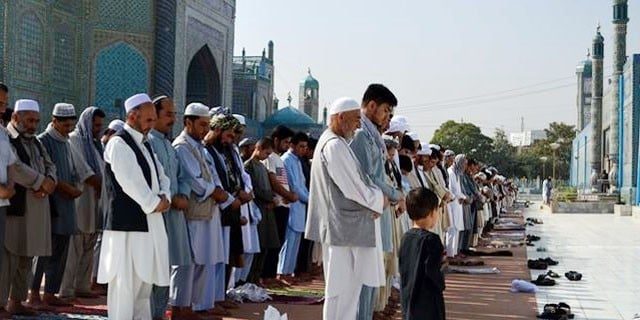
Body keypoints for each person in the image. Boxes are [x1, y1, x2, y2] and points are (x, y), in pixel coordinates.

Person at [305, 97, 385, 320]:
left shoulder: (337, 143)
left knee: (348, 291)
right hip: (342, 230)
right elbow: (353, 187)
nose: (359, 125)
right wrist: (378, 200)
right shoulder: (334, 146)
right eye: (356, 119)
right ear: (340, 118)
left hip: (344, 229)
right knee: (341, 291)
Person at [97, 93, 170, 319]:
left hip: (148, 224)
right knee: (124, 286)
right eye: (147, 120)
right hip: (126, 228)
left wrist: (164, 196)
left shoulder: (145, 143)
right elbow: (131, 182)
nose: (151, 125)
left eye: (152, 120)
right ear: (132, 116)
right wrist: (155, 202)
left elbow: (162, 176)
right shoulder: (119, 143)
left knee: (143, 287)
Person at [30, 103, 95, 308]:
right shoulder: (43, 141)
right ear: (54, 121)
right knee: (42, 252)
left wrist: (75, 187)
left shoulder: (66, 142)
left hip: (67, 206)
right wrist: (66, 188)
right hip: (50, 204)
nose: (68, 128)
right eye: (65, 124)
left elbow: (73, 170)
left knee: (60, 252)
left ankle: (50, 293)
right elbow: (46, 173)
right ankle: (34, 295)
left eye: (71, 125)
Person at [350, 84, 403, 320]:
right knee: (362, 278)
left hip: (377, 211)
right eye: (385, 111)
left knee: (374, 272)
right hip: (364, 215)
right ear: (371, 106)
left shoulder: (373, 136)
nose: (387, 118)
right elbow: (369, 177)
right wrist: (395, 194)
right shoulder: (361, 135)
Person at [173, 102, 229, 318]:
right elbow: (194, 180)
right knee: (188, 262)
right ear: (188, 122)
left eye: (208, 125)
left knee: (204, 260)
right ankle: (180, 307)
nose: (206, 130)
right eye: (202, 125)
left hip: (208, 211)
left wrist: (222, 194)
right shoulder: (182, 146)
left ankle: (194, 305)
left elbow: (213, 176)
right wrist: (215, 192)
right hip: (193, 213)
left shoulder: (199, 147)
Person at [148, 96, 193, 320]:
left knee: (166, 269)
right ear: (153, 115)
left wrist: (182, 194)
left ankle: (158, 313)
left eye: (174, 114)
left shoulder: (168, 145)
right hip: (156, 216)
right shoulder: (147, 144)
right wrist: (170, 198)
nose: (173, 119)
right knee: (153, 269)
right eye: (169, 114)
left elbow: (181, 176)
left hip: (173, 217)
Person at [205, 110, 250, 314]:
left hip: (230, 206)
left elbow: (238, 175)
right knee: (215, 257)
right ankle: (210, 300)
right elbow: (214, 181)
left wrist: (241, 194)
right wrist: (231, 198)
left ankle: (219, 295)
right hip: (218, 207)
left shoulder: (227, 150)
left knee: (228, 255)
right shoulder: (208, 150)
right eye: (230, 135)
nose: (232, 140)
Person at [61, 107, 106, 300]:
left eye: (100, 126)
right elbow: (83, 170)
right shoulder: (75, 140)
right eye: (95, 125)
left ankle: (82, 285)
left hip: (96, 200)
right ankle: (66, 289)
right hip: (81, 200)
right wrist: (103, 184)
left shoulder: (96, 145)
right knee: (74, 246)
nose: (98, 129)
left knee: (89, 244)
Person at [399, 188, 446, 320]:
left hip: (409, 299)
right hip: (428, 303)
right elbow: (433, 271)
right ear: (431, 212)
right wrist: (441, 283)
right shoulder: (433, 240)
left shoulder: (405, 238)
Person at [263, 125, 298, 285]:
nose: (287, 145)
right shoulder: (270, 158)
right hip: (276, 205)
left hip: (284, 205)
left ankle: (272, 275)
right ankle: (268, 275)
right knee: (273, 242)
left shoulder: (278, 158)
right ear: (276, 140)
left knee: (279, 242)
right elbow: (273, 181)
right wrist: (288, 195)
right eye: (285, 142)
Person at [245, 138, 279, 286]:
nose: (267, 156)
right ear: (258, 148)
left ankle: (257, 278)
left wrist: (272, 199)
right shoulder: (249, 166)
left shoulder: (262, 167)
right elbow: (254, 189)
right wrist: (268, 199)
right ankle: (250, 279)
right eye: (266, 152)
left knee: (266, 245)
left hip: (267, 210)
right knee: (256, 247)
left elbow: (268, 186)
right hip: (257, 209)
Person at [278, 132, 310, 282]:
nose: (304, 149)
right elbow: (294, 186)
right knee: (288, 240)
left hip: (301, 204)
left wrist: (309, 198)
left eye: (305, 147)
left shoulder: (297, 160)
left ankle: (289, 272)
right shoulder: (286, 160)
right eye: (301, 146)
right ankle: (282, 272)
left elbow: (302, 185)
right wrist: (309, 199)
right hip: (291, 203)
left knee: (296, 240)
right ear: (292, 145)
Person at [0, 83, 18, 318]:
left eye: (3, 104)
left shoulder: (2, 132)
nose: (1, 108)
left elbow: (11, 163)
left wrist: (10, 187)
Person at [446, 154, 466, 258]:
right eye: (463, 164)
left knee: (456, 229)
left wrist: (463, 197)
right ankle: (450, 254)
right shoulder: (450, 172)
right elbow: (451, 190)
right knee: (452, 229)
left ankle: (454, 253)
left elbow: (458, 190)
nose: (464, 166)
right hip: (452, 203)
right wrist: (458, 197)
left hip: (458, 203)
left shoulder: (457, 173)